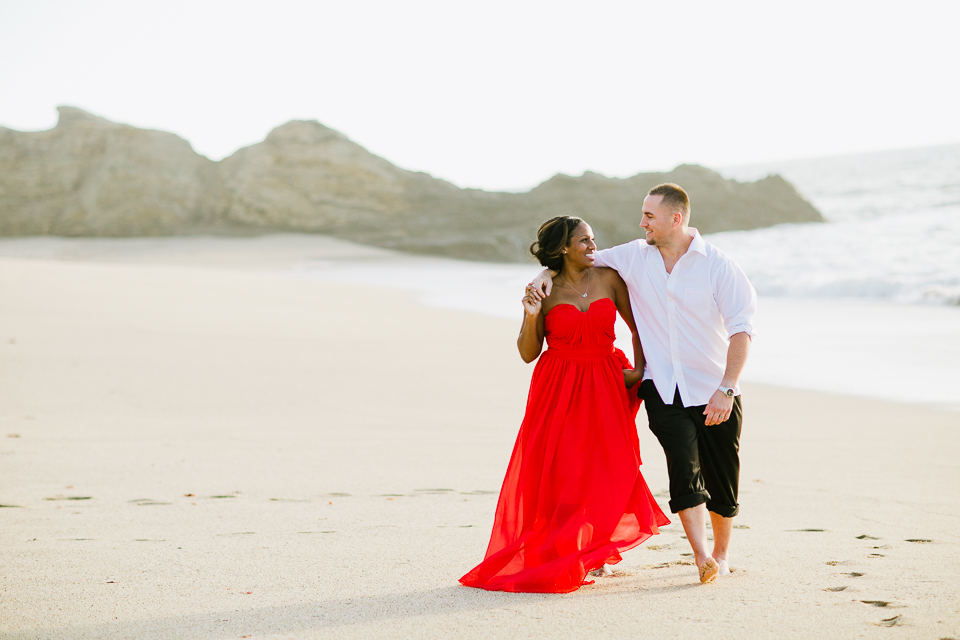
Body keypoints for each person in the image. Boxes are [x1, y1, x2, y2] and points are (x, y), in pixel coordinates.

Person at [528, 184, 756, 584]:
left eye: (649, 215)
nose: (642, 222)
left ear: (675, 218)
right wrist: (543, 272)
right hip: (662, 387)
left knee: (722, 477)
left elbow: (741, 331)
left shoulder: (719, 266)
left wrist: (728, 386)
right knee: (683, 470)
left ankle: (721, 552)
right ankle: (702, 557)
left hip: (714, 389)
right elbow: (580, 259)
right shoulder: (634, 256)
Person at [459, 216, 670, 593]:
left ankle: (596, 548)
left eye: (593, 240)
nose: (593, 247)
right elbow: (528, 353)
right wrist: (530, 314)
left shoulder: (609, 279)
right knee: (566, 469)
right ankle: (569, 547)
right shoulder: (545, 290)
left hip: (607, 382)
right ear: (563, 249)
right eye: (585, 241)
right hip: (559, 388)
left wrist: (640, 367)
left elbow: (639, 326)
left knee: (609, 466)